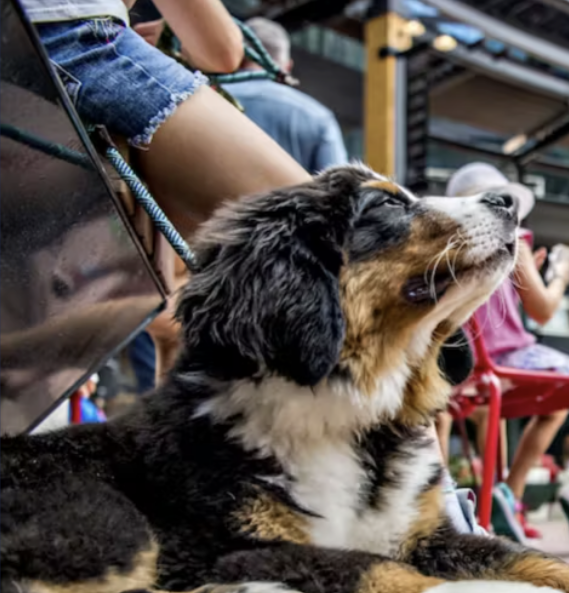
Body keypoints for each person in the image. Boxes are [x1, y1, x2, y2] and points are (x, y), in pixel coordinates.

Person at [21, 0, 313, 381]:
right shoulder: (311, 115)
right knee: (331, 241)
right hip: (76, 42)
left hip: (28, 62)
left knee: (171, 301)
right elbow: (221, 49)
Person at [439, 163, 569, 552]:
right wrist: (561, 274)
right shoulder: (512, 237)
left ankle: (507, 501)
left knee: (553, 409)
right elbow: (544, 311)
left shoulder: (449, 243)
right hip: (510, 359)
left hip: (467, 370)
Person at [226, 17, 349, 174]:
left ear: (239, 56)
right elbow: (338, 190)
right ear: (288, 66)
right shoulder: (319, 117)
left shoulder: (207, 98)